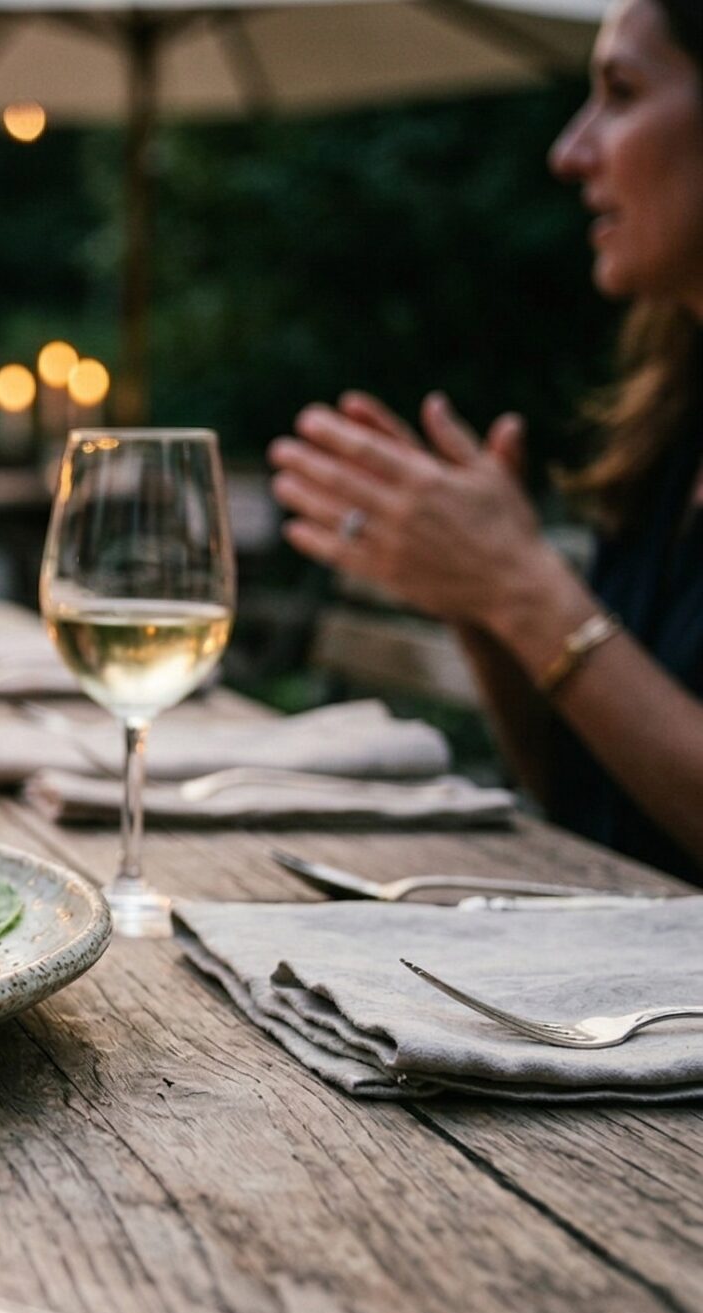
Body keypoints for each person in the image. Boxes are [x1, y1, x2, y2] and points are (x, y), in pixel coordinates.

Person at [270, 0, 703, 880]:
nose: (571, 150)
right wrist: (476, 602)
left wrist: (523, 589)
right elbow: (591, 796)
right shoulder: (670, 430)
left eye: (621, 92)